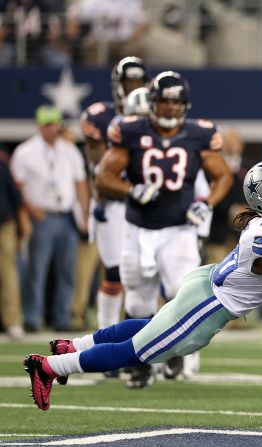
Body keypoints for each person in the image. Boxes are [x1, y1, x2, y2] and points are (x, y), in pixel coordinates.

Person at [23, 161, 262, 411]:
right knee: (139, 352)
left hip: (207, 284)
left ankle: (75, 345)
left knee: (150, 328)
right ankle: (52, 367)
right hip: (209, 305)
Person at [95, 71, 232, 388]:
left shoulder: (199, 134)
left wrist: (207, 203)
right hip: (138, 229)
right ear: (152, 103)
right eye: (164, 102)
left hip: (179, 228)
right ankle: (139, 361)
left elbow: (223, 175)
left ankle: (174, 350)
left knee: (181, 294)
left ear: (184, 105)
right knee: (138, 303)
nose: (170, 108)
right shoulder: (130, 131)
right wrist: (130, 189)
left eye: (176, 102)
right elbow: (104, 176)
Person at [80, 56, 149, 334]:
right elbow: (97, 165)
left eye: (137, 82)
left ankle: (139, 338)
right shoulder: (101, 116)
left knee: (143, 274)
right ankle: (105, 333)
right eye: (128, 82)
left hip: (144, 204)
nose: (133, 87)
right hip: (113, 203)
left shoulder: (152, 118)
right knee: (115, 272)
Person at [10, 105, 89, 332]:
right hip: (42, 216)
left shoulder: (69, 151)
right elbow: (18, 187)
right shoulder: (25, 152)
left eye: (53, 124)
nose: (50, 129)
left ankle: (62, 317)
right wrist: (29, 210)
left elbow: (80, 183)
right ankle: (32, 318)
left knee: (67, 271)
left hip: (66, 216)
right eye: (46, 125)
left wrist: (84, 214)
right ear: (39, 126)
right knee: (37, 270)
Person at [0, 149, 31, 339]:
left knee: (8, 272)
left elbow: (14, 195)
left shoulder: (1, 161)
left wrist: (23, 220)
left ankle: (12, 321)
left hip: (3, 223)